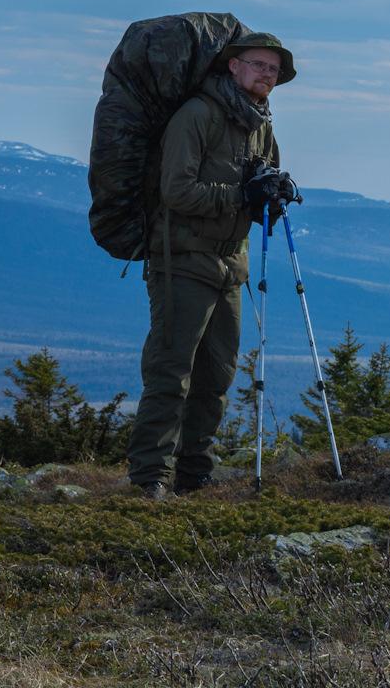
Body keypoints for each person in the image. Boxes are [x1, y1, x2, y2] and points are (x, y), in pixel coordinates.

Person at [127, 32, 297, 498]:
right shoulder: (197, 116)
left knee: (217, 377)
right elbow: (176, 191)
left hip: (230, 265)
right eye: (259, 65)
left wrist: (272, 199)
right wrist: (242, 195)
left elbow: (257, 194)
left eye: (274, 70)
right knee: (170, 372)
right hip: (182, 261)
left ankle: (195, 474)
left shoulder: (260, 125)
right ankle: (149, 478)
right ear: (233, 66)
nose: (268, 75)